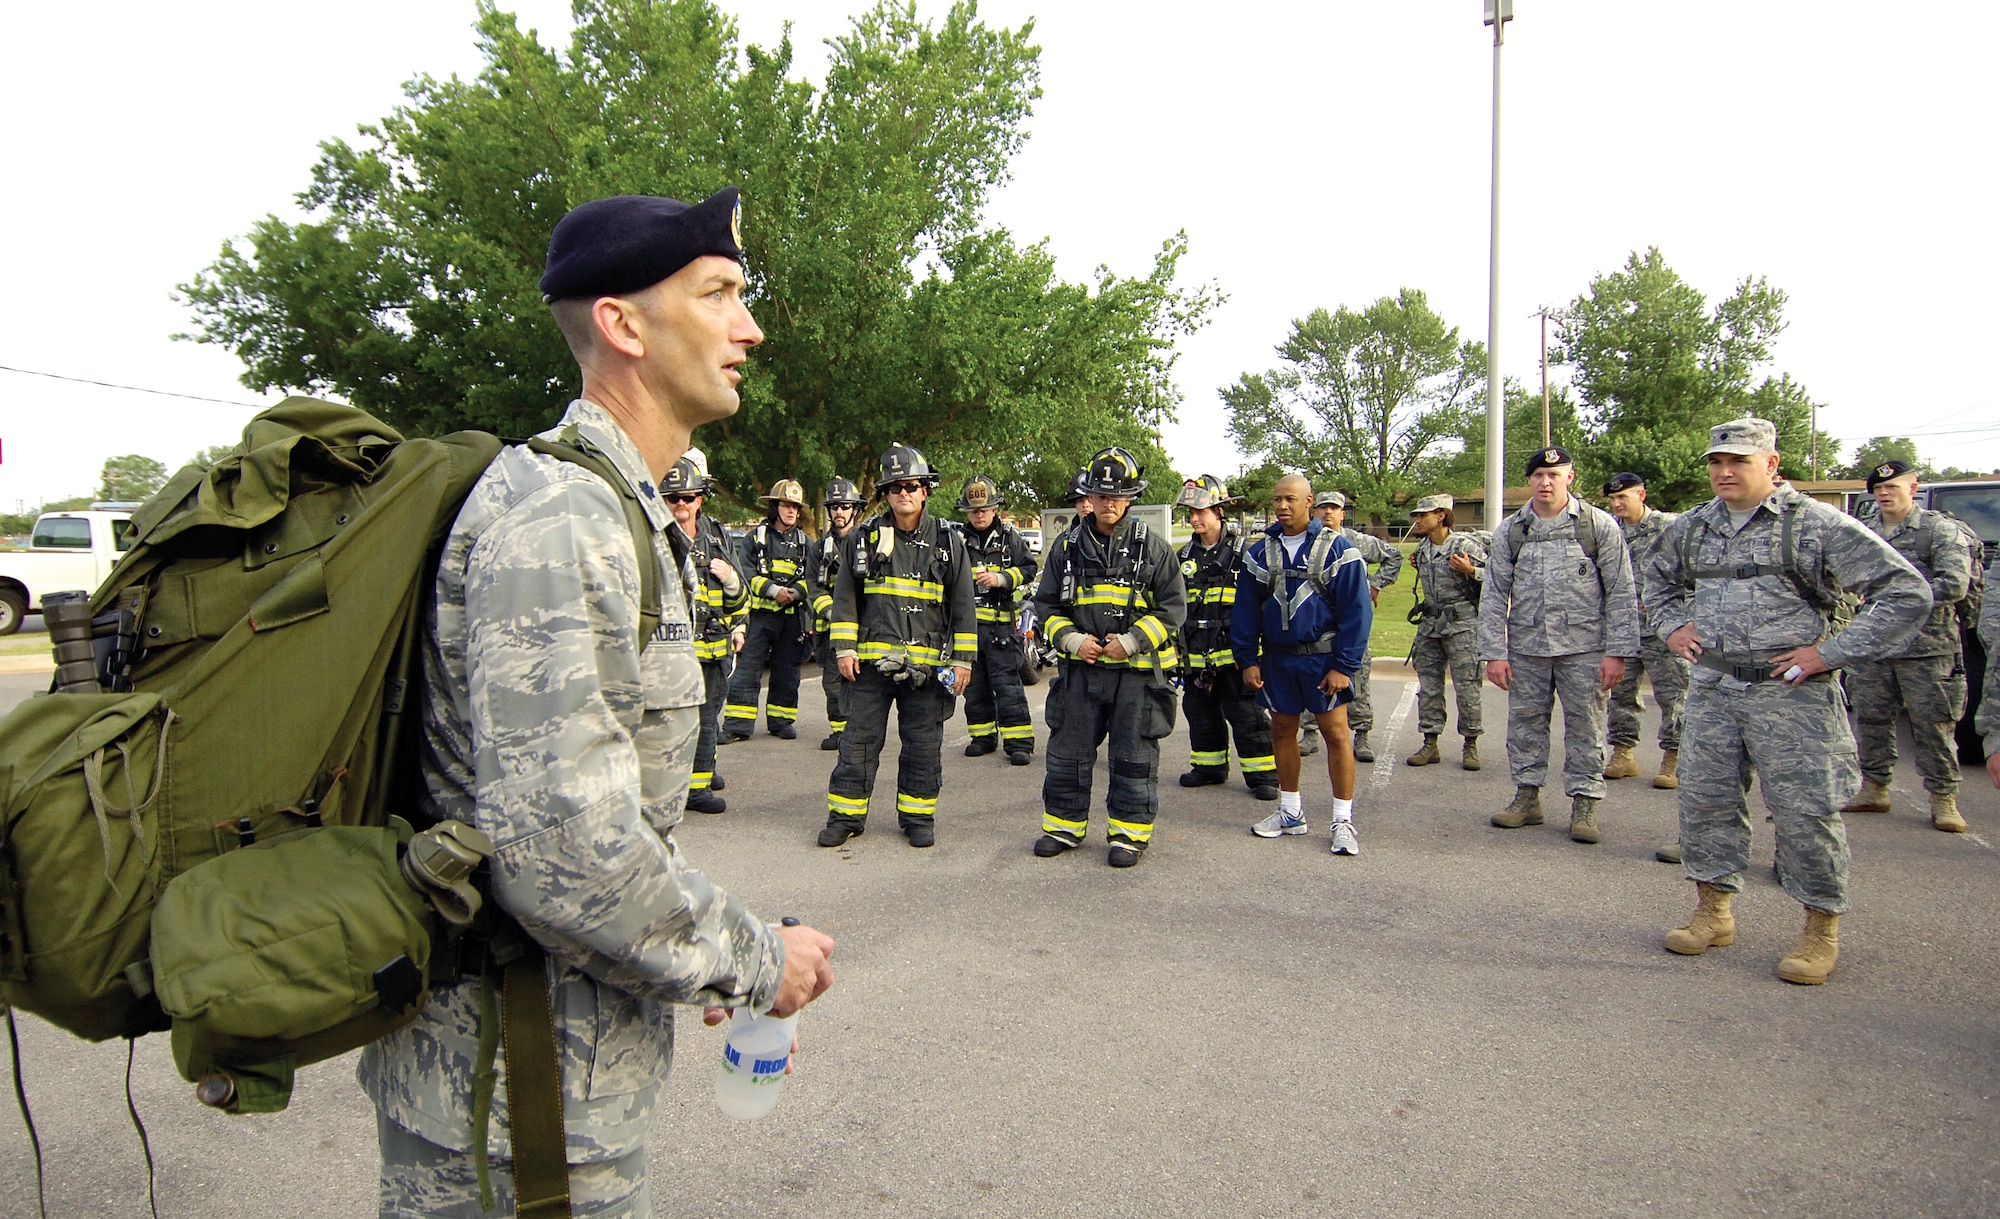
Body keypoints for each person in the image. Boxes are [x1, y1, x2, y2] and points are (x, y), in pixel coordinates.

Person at [359, 188, 836, 1215]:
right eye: (718, 294)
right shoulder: (564, 519)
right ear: (621, 324)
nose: (749, 327)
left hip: (552, 1080)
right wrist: (756, 959)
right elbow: (567, 860)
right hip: (515, 1105)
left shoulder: (614, 506)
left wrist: (691, 956)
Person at [1648, 417, 1931, 985]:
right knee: (1705, 804)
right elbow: (1655, 582)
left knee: (1806, 814)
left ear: (1771, 465)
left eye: (1739, 462)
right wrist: (1672, 627)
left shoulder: (1815, 525)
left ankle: (1819, 930)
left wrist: (1834, 652)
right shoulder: (1693, 528)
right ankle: (1714, 912)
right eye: (1716, 462)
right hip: (1714, 687)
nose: (1724, 472)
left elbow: (1907, 592)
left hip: (1792, 693)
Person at [1029, 446, 1186, 867]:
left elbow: (1172, 609)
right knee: (1068, 752)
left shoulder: (1153, 550)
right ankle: (1063, 827)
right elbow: (1045, 606)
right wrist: (1073, 641)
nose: (1108, 503)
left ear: (1130, 498)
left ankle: (1128, 836)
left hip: (1135, 677)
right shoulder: (1067, 548)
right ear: (1089, 497)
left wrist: (1132, 641)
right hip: (1081, 671)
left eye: (1117, 496)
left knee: (1134, 756)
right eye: (1100, 495)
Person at [819, 443, 977, 849]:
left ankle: (917, 817)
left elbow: (962, 607)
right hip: (871, 668)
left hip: (927, 671)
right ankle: (846, 817)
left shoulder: (949, 541)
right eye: (894, 487)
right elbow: (845, 598)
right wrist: (843, 649)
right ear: (886, 494)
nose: (903, 493)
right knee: (858, 742)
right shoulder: (863, 538)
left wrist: (963, 661)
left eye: (911, 485)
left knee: (924, 746)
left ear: (925, 489)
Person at [1479, 447, 1639, 845]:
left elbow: (1620, 590)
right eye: (1538, 476)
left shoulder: (1597, 525)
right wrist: (1494, 652)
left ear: (1570, 477)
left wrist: (1617, 651)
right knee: (1525, 725)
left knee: (1586, 727)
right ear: (1529, 481)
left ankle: (1585, 803)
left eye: (1555, 475)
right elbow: (1495, 593)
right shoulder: (1513, 530)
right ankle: (1527, 797)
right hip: (1528, 647)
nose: (1546, 483)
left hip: (1584, 648)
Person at [1230, 474, 1374, 854]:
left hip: (1323, 660)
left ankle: (1342, 820)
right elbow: (1245, 611)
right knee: (1281, 731)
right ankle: (1290, 812)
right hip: (1277, 661)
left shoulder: (1338, 549)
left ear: (1309, 501)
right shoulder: (1260, 552)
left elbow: (1357, 613)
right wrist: (1247, 659)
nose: (1282, 506)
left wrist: (1344, 666)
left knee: (1336, 735)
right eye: (1277, 499)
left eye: (1290, 498)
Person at [1839, 460, 1976, 832]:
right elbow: (1846, 577)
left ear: (1912, 488)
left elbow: (1954, 584)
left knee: (1933, 726)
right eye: (1879, 489)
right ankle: (1874, 787)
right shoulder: (1864, 532)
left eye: (1893, 487)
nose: (1884, 494)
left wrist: (1899, 596)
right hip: (1873, 646)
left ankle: (1943, 798)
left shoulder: (1937, 531)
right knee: (1871, 719)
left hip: (1927, 648)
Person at [1173, 475, 1277, 800]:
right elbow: (1174, 606)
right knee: (1199, 713)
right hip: (1196, 657)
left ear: (1219, 511)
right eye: (1190, 512)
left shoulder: (1246, 554)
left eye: (1201, 511)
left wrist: (1257, 656)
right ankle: (1209, 767)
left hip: (1235, 657)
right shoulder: (1183, 557)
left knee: (1246, 717)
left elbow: (1265, 604)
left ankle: (1263, 775)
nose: (1194, 518)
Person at [664, 451, 748, 814]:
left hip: (712, 650)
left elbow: (741, 599)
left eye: (688, 497)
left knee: (706, 721)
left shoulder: (716, 538)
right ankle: (667, 788)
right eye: (673, 498)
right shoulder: (655, 537)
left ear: (700, 499)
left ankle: (697, 788)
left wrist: (730, 583)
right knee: (666, 723)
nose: (681, 505)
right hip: (669, 654)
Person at [1296, 490, 1402, 763]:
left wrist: (1376, 585)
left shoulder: (1356, 542)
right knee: (1311, 677)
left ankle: (1362, 734)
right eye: (1323, 508)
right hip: (1316, 625)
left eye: (1334, 508)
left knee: (1357, 676)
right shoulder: (1305, 541)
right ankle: (1309, 733)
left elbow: (1394, 557)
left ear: (1343, 514)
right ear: (1314, 511)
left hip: (1349, 624)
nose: (1328, 513)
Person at [955, 474, 1040, 765]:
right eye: (974, 509)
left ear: (995, 509)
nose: (979, 514)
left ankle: (1019, 743)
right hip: (968, 630)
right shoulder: (957, 541)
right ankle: (983, 738)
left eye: (985, 508)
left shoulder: (1009, 538)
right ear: (967, 511)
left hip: (1002, 628)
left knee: (1008, 687)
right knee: (974, 688)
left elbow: (1029, 568)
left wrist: (1002, 578)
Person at [723, 478, 812, 740]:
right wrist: (774, 591)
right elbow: (745, 573)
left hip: (792, 619)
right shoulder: (755, 539)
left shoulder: (806, 544)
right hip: (759, 618)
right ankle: (738, 726)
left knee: (787, 672)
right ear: (774, 507)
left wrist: (795, 592)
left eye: (795, 507)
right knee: (748, 671)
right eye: (786, 505)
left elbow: (815, 577)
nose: (791, 511)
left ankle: (781, 721)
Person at [1404, 495, 1486, 771]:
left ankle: (1470, 744)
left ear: (1440, 515)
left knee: (1467, 686)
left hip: (1462, 625)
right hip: (1430, 625)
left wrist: (1472, 570)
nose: (1417, 520)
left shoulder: (1464, 546)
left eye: (1423, 515)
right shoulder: (1423, 549)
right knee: (1428, 687)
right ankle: (1430, 742)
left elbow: (1497, 578)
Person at [810, 476, 865, 752]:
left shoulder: (868, 542)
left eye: (844, 506)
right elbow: (813, 588)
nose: (839, 512)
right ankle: (840, 730)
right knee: (832, 681)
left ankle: (859, 729)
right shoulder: (820, 548)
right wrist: (833, 612)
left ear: (854, 509)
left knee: (863, 681)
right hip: (831, 629)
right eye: (834, 507)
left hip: (864, 629)